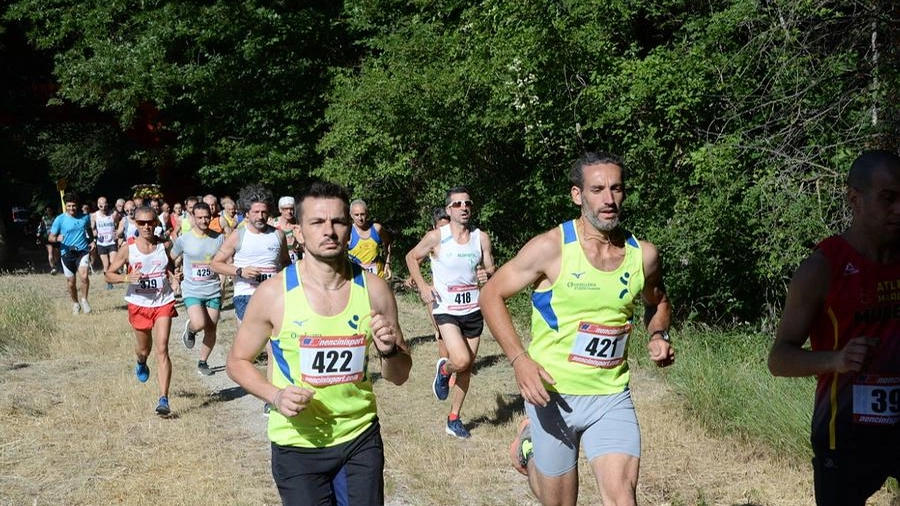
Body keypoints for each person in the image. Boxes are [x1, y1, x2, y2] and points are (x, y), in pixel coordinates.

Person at [479, 152, 674, 506]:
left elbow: (657, 301)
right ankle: (530, 450)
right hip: (553, 395)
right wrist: (519, 359)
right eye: (597, 189)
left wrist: (658, 334)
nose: (609, 199)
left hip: (611, 396)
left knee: (622, 499)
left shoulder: (642, 256)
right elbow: (491, 294)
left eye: (616, 189)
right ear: (577, 195)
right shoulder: (551, 248)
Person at [226, 181, 411, 506]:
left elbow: (399, 375)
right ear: (298, 232)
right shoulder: (274, 294)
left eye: (339, 221)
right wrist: (276, 395)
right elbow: (237, 362)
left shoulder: (375, 290)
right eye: (317, 222)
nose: (330, 230)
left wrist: (389, 350)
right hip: (297, 443)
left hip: (359, 435)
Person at [768, 150, 900, 506]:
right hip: (845, 430)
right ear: (854, 200)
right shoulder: (822, 268)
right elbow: (779, 359)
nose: (899, 210)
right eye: (888, 199)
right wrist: (836, 360)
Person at [405, 186, 495, 438]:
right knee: (462, 360)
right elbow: (411, 257)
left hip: (474, 309)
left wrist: (486, 274)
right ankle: (444, 370)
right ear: (448, 210)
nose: (464, 207)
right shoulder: (437, 237)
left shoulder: (482, 238)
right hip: (446, 309)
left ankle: (454, 418)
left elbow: (492, 268)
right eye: (457, 204)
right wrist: (423, 286)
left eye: (467, 203)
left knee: (466, 368)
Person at [105, 206, 180, 416]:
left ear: (156, 223)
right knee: (144, 349)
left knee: (162, 348)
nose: (146, 226)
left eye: (150, 222)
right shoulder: (129, 248)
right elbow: (108, 274)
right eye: (141, 223)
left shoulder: (163, 246)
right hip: (139, 304)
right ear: (135, 224)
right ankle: (141, 361)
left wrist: (174, 278)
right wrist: (127, 278)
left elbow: (169, 268)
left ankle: (163, 399)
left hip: (162, 302)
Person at [172, 201, 225, 375]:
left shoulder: (219, 238)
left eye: (207, 217)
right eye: (200, 217)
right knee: (200, 323)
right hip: (192, 289)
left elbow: (225, 263)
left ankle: (203, 362)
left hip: (213, 289)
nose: (203, 221)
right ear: (193, 218)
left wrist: (223, 282)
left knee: (211, 327)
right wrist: (175, 275)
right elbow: (172, 257)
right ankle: (191, 329)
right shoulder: (184, 239)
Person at [48, 193, 95, 314]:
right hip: (67, 253)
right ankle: (75, 303)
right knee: (71, 282)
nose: (71, 208)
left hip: (82, 251)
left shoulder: (84, 217)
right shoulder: (60, 219)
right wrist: (57, 238)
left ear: (77, 205)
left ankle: (84, 300)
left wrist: (92, 241)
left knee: (84, 276)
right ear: (65, 206)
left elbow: (88, 229)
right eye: (69, 206)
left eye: (73, 206)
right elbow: (50, 237)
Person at [348, 199, 392, 279]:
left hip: (378, 276)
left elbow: (388, 242)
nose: (360, 218)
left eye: (362, 214)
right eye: (356, 215)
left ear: (367, 214)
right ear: (351, 215)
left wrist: (387, 263)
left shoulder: (377, 228)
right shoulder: (348, 232)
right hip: (357, 278)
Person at [91, 196, 118, 289]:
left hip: (111, 242)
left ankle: (113, 276)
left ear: (107, 204)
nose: (103, 207)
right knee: (106, 264)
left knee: (113, 262)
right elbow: (92, 228)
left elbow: (119, 223)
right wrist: (94, 232)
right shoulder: (94, 215)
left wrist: (117, 232)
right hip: (101, 243)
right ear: (98, 205)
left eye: (105, 205)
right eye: (101, 205)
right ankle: (109, 282)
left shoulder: (113, 214)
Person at [271, 196, 302, 263]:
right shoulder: (272, 224)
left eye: (291, 209)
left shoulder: (298, 225)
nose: (289, 211)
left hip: (294, 263)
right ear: (280, 210)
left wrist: (298, 245)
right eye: (285, 209)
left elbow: (307, 247)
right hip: (276, 263)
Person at [36, 205, 60, 274]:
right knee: (50, 252)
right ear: (46, 211)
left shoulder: (56, 218)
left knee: (56, 253)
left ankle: (55, 264)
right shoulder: (44, 218)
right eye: (47, 210)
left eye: (50, 210)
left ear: (52, 211)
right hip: (47, 237)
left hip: (55, 237)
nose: (49, 211)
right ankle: (53, 268)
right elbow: (40, 226)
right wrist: (38, 234)